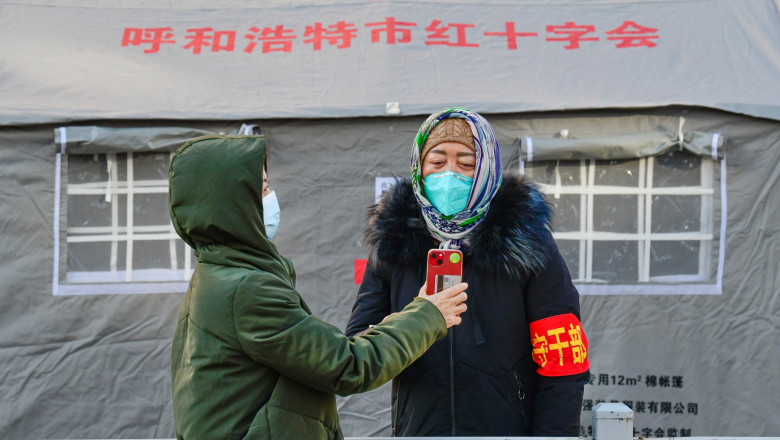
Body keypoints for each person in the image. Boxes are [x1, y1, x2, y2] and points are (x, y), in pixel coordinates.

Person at [168, 134, 468, 440]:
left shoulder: (216, 275)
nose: (272, 196)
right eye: (263, 188)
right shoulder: (246, 289)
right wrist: (427, 314)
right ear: (234, 205)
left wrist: (404, 321)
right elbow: (349, 365)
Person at [346, 108, 590, 436]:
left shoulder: (525, 239)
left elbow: (563, 357)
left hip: (506, 431)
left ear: (487, 168)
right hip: (419, 430)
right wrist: (414, 320)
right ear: (419, 168)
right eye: (437, 162)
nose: (449, 175)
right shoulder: (394, 240)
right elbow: (359, 344)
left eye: (466, 164)